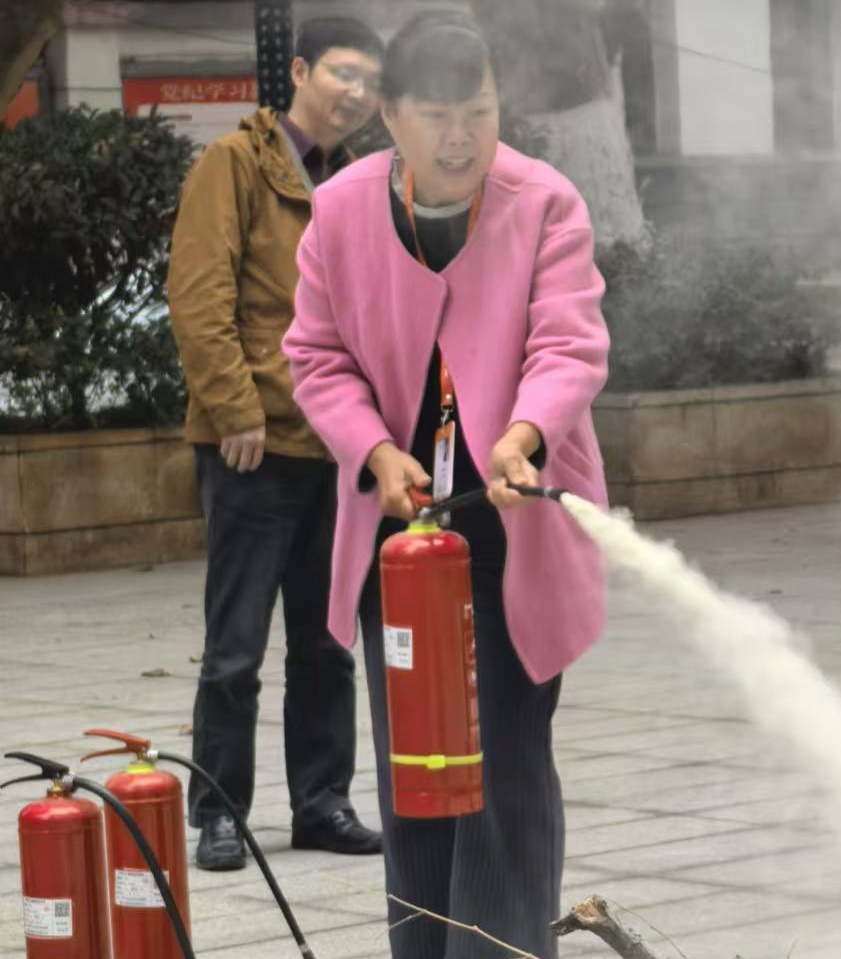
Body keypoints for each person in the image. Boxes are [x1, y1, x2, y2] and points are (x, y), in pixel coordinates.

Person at [281, 11, 610, 958]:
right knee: (416, 769)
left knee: (500, 767)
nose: (462, 138)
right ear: (390, 116)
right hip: (402, 542)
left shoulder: (543, 202)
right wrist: (373, 451)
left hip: (510, 530)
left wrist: (524, 433)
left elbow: (568, 343)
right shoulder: (341, 210)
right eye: (437, 116)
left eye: (480, 111)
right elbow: (316, 356)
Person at [166, 17, 385, 870]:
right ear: (298, 70)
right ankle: (218, 811)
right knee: (236, 647)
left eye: (370, 81)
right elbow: (199, 295)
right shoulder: (235, 164)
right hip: (254, 445)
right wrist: (235, 410)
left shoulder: (363, 179)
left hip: (338, 445)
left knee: (328, 642)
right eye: (342, 73)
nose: (357, 93)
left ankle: (322, 802)